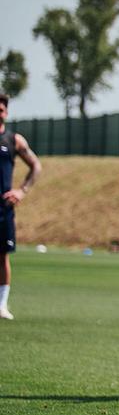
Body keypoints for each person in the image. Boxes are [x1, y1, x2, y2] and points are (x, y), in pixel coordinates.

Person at [0, 93, 43, 321]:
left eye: (1, 109)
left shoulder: (13, 140)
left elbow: (36, 165)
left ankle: (1, 305)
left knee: (2, 256)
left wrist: (22, 190)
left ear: (6, 112)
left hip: (3, 207)